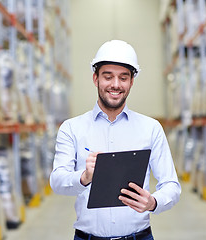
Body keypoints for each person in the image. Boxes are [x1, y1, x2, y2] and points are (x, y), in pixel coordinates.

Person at [50, 39, 181, 240]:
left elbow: (171, 185)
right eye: (108, 77)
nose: (116, 85)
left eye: (123, 77)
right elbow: (57, 181)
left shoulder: (151, 128)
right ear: (96, 79)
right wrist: (85, 177)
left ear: (131, 81)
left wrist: (153, 202)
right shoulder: (72, 128)